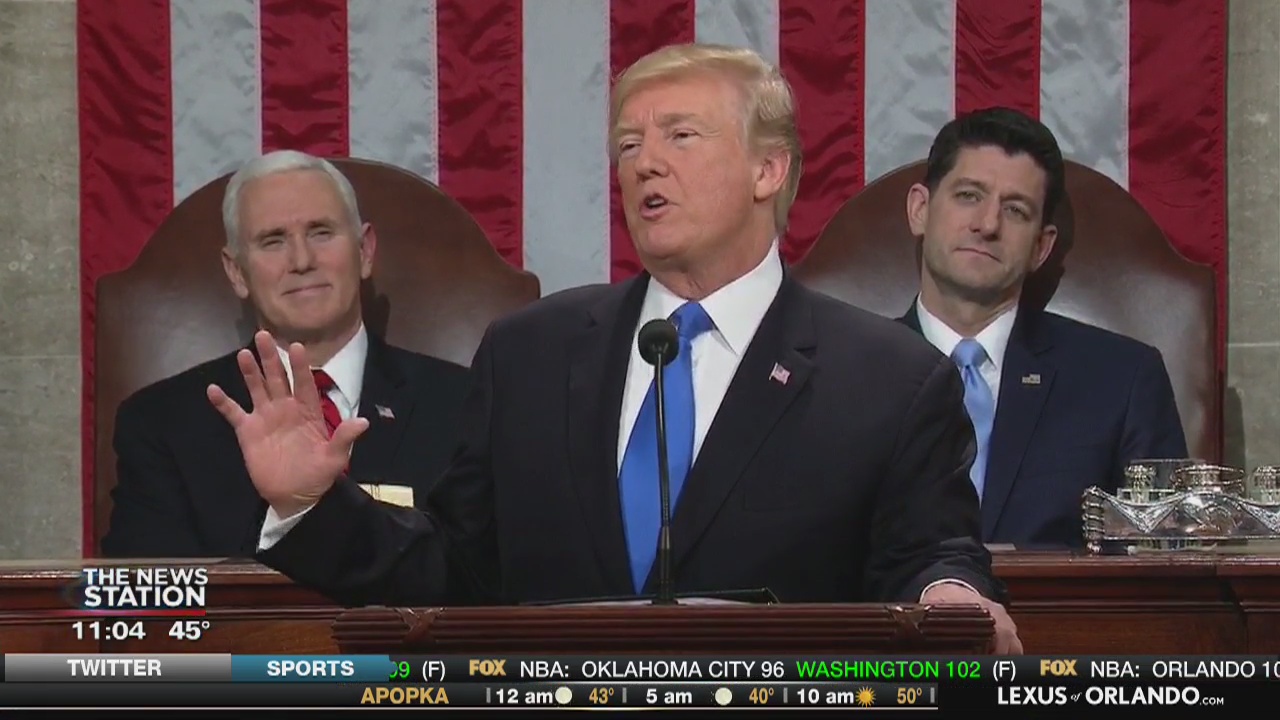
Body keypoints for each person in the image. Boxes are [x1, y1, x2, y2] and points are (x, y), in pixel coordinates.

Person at [212, 45, 1021, 652]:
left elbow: (932, 551)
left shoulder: (887, 377)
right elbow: (456, 571)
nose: (644, 165)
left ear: (769, 169)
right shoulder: (530, 352)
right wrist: (312, 505)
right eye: (629, 145)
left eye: (679, 135)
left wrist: (950, 594)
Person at [102, 150, 471, 558]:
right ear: (237, 272)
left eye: (321, 232)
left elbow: (482, 580)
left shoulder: (467, 405)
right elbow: (152, 604)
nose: (301, 261)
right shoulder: (162, 424)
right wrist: (287, 517)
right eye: (273, 241)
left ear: (364, 251)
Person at [899, 107, 1187, 547]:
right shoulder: (841, 374)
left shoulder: (1122, 381)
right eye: (969, 196)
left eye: (1015, 210)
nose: (987, 224)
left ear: (1041, 247)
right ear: (920, 209)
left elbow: (1165, 574)